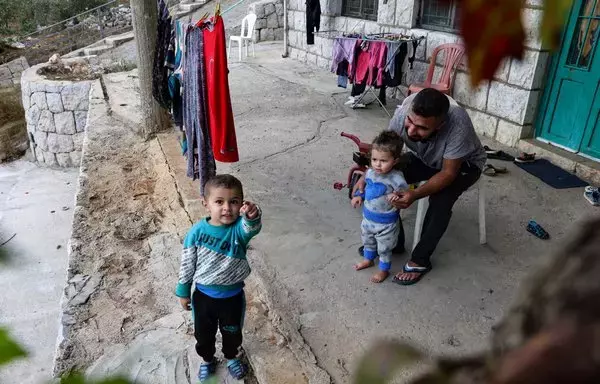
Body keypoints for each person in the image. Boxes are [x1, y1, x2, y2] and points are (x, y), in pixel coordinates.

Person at [354, 88, 486, 285]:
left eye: (422, 128)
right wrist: (367, 176)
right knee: (386, 178)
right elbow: (386, 151)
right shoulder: (405, 112)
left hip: (463, 165)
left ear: (440, 125)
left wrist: (413, 194)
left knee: (441, 198)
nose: (411, 131)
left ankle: (420, 260)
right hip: (424, 158)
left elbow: (448, 173)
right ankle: (392, 241)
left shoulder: (458, 124)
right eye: (411, 122)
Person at [175, 174, 262, 382]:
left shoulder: (239, 230)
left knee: (232, 333)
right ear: (206, 204)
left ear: (241, 203)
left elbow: (252, 227)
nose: (227, 208)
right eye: (219, 202)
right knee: (203, 335)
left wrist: (252, 216)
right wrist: (183, 291)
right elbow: (187, 264)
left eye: (234, 202)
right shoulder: (196, 233)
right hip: (203, 298)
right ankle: (207, 359)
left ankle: (231, 357)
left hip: (232, 298)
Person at [352, 131, 408, 283]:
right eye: (374, 159)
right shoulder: (370, 173)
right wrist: (359, 196)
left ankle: (384, 270)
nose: (377, 164)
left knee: (384, 248)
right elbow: (368, 189)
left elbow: (407, 193)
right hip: (368, 217)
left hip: (387, 223)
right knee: (367, 241)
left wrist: (397, 195)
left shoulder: (396, 178)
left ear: (395, 161)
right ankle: (368, 260)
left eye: (383, 161)